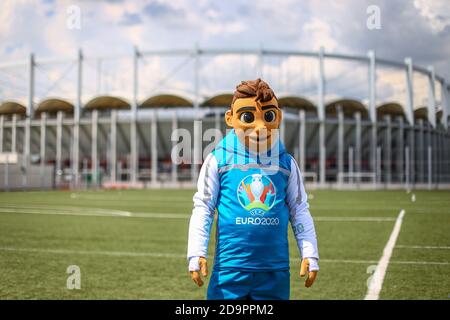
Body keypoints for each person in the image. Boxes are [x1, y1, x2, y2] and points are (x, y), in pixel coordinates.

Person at [187, 79, 319, 300]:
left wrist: (310, 254)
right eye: (248, 117)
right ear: (230, 118)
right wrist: (196, 252)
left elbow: (299, 210)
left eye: (268, 116)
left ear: (278, 117)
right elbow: (203, 208)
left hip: (274, 271)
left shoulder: (286, 163)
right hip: (229, 269)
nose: (260, 127)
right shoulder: (218, 160)